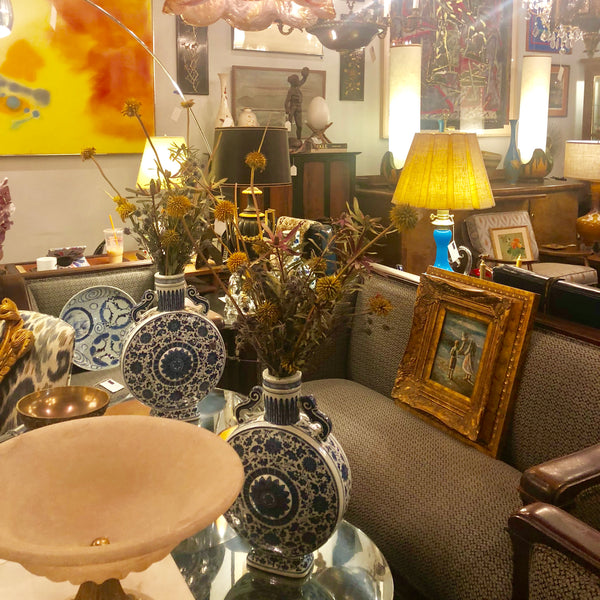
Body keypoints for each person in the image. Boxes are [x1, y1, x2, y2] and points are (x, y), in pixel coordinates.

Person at [285, 67, 309, 141]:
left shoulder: (297, 86)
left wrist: (305, 76)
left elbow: (303, 80)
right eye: (297, 80)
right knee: (288, 125)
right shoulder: (291, 90)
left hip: (298, 108)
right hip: (292, 109)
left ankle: (299, 139)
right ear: (294, 82)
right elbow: (286, 101)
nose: (298, 81)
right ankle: (286, 140)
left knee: (300, 126)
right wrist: (287, 110)